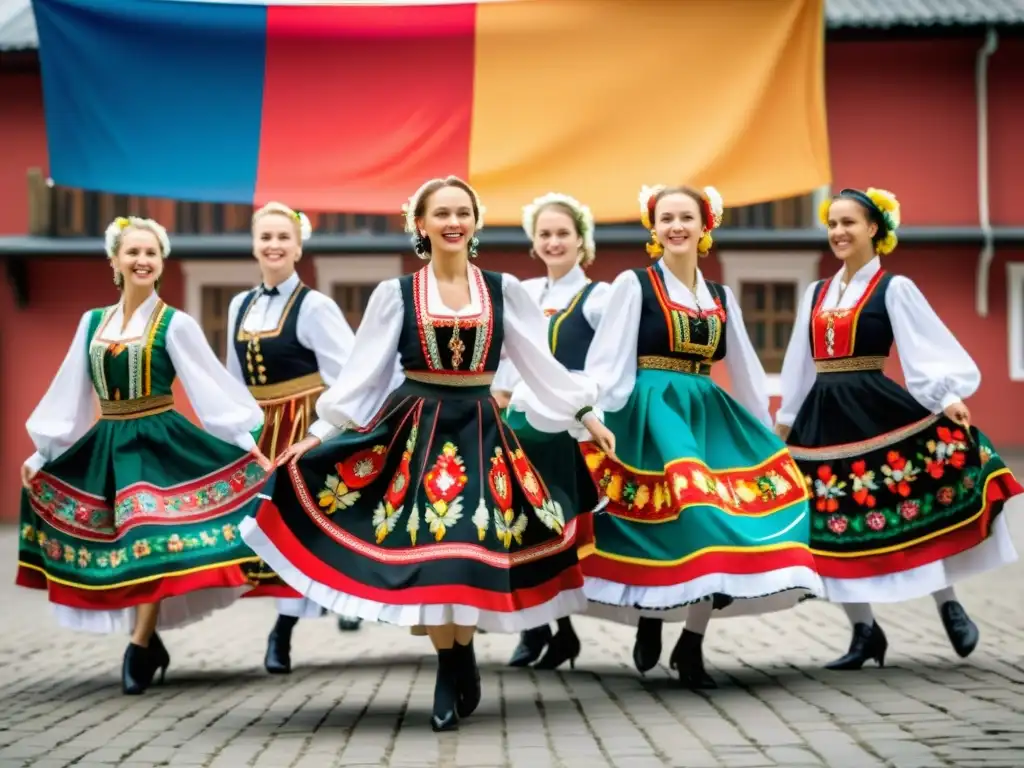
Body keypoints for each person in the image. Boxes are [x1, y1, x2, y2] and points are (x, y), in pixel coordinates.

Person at [239, 176, 616, 732]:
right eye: (441, 213)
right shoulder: (394, 295)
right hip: (415, 432)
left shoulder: (504, 289)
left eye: (462, 212)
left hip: (482, 434)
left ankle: (457, 658)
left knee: (467, 553)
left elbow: (540, 364)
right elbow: (364, 378)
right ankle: (452, 662)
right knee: (437, 555)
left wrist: (585, 415)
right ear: (421, 224)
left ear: (475, 222)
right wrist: (319, 434)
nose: (453, 222)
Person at [573, 184, 824, 687]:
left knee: (715, 518)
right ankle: (650, 614)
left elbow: (748, 368)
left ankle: (691, 641)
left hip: (707, 410)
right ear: (654, 227)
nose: (676, 227)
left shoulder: (720, 296)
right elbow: (608, 357)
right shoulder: (634, 284)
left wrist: (766, 427)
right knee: (685, 514)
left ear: (704, 226)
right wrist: (592, 415)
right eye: (666, 218)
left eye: (686, 217)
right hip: (652, 411)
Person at [16, 216, 272, 695]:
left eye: (151, 253)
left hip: (159, 443)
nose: (142, 260)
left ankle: (137, 645)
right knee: (124, 543)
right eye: (132, 252)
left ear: (161, 262)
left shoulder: (176, 324)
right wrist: (42, 451)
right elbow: (70, 390)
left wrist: (245, 443)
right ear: (114, 260)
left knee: (148, 530)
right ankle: (149, 641)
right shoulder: (92, 322)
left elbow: (209, 384)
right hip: (108, 441)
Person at [775, 187, 1022, 670]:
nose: (839, 233)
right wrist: (785, 422)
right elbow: (799, 364)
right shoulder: (816, 293)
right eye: (833, 224)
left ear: (874, 229)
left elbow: (921, 348)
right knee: (829, 524)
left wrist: (946, 398)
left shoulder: (894, 288)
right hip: (822, 418)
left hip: (876, 407)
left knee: (908, 507)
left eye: (849, 223)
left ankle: (948, 604)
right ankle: (864, 631)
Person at [227, 202, 365, 676]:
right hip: (259, 428)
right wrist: (235, 429)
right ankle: (316, 608)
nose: (273, 246)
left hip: (303, 427)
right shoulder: (238, 305)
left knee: (298, 526)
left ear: (298, 246)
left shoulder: (315, 306)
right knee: (265, 528)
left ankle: (282, 633)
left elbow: (348, 376)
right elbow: (232, 376)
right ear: (254, 244)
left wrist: (324, 432)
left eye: (283, 238)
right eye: (265, 237)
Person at [493, 192, 610, 670]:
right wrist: (497, 400)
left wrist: (589, 411)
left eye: (563, 233)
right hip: (520, 424)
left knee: (553, 527)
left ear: (582, 241)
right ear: (533, 242)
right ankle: (545, 629)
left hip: (565, 427)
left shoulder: (599, 297)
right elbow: (507, 358)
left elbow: (609, 363)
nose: (554, 241)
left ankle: (553, 628)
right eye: (545, 234)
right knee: (514, 526)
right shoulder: (521, 292)